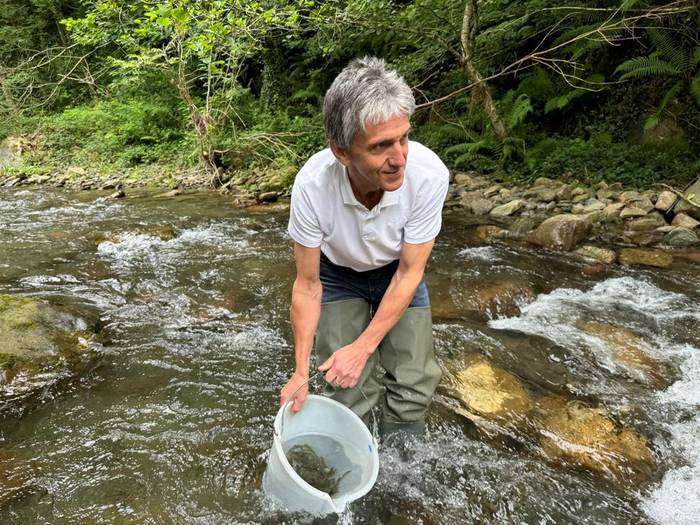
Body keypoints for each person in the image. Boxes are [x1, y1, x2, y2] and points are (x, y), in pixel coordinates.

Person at [279, 56, 449, 441]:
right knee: (344, 386)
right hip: (338, 275)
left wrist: (364, 347)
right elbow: (307, 285)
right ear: (342, 152)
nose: (399, 158)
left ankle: (403, 468)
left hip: (398, 271)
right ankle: (349, 461)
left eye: (404, 137)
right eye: (380, 147)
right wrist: (301, 371)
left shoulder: (429, 175)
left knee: (413, 381)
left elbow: (410, 272)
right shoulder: (311, 187)